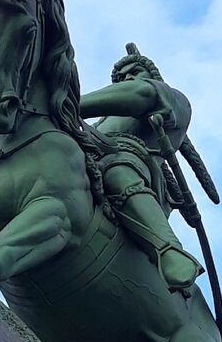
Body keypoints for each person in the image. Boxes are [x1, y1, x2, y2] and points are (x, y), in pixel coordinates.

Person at [80, 46, 204, 293]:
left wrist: (65, 104)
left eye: (133, 72)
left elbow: (143, 94)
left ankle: (168, 249)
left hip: (132, 162)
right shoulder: (103, 119)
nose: (126, 80)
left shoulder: (172, 98)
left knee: (117, 169)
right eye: (120, 78)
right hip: (88, 155)